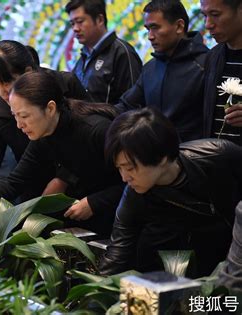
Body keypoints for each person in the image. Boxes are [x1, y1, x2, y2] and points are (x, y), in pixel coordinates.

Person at [0, 71, 123, 236]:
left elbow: (134, 182)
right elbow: (14, 183)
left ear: (50, 108)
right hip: (85, 216)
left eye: (24, 116)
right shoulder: (44, 135)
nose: (19, 125)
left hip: (121, 219)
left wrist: (95, 202)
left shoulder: (97, 130)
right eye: (15, 116)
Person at [100, 107, 239, 277]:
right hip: (165, 271)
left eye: (130, 168)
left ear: (162, 157)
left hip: (226, 258)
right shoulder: (134, 194)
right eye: (119, 168)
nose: (124, 177)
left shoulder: (220, 157)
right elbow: (118, 251)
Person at [0, 40, 88, 200]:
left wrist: (64, 178)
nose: (2, 92)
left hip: (81, 185)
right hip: (30, 184)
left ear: (28, 71)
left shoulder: (65, 84)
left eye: (6, 82)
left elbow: (87, 137)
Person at [116, 0, 208, 142]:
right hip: (155, 156)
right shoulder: (150, 68)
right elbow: (125, 106)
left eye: (155, 28)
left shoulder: (207, 64)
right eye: (148, 29)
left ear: (179, 26)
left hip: (195, 159)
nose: (150, 36)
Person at [65, 0, 142, 104]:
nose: (75, 28)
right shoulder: (83, 58)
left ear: (100, 20)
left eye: (80, 21)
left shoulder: (122, 52)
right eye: (72, 23)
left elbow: (133, 104)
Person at [201, 0, 242, 144]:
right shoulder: (212, 57)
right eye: (204, 16)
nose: (208, 24)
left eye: (215, 14)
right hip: (218, 160)